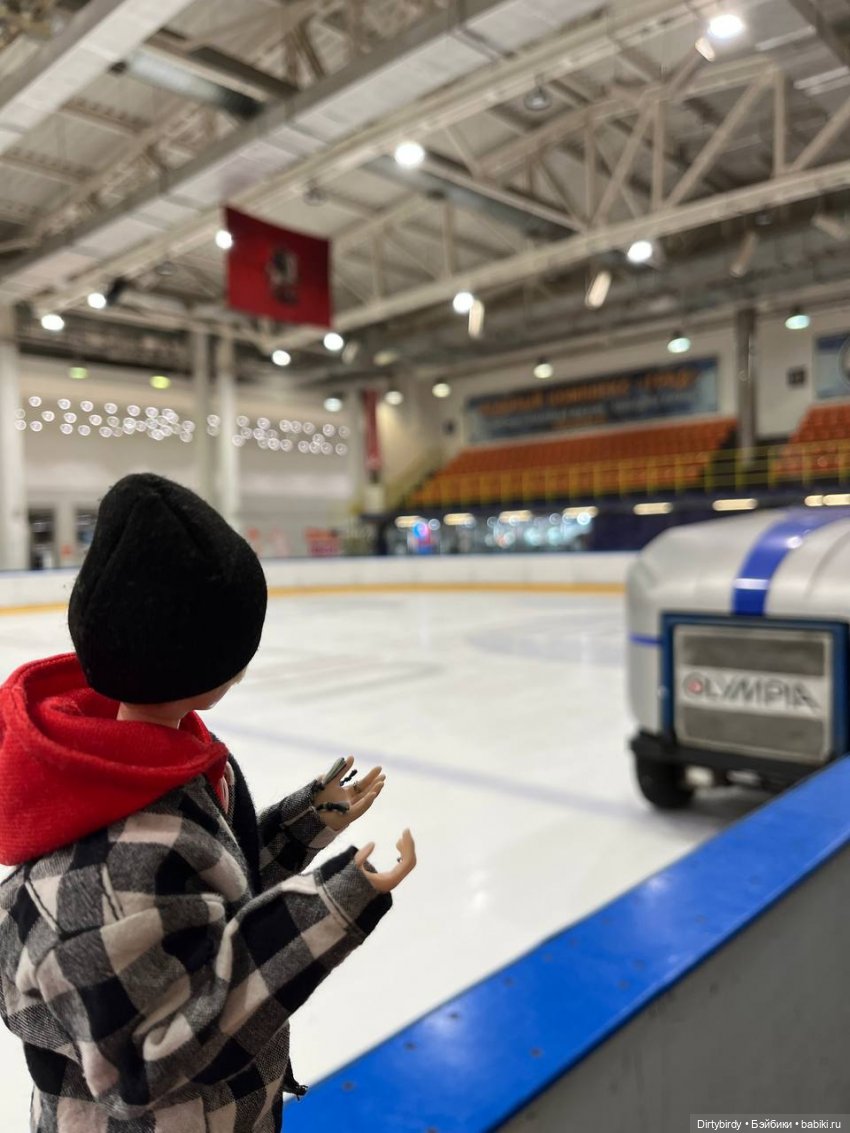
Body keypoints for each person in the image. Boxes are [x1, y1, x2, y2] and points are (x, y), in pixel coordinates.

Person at [0, 472, 416, 1132]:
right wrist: (333, 905)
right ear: (200, 662)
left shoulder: (149, 765)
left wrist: (303, 823)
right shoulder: (98, 861)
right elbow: (150, 1063)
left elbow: (199, 888)